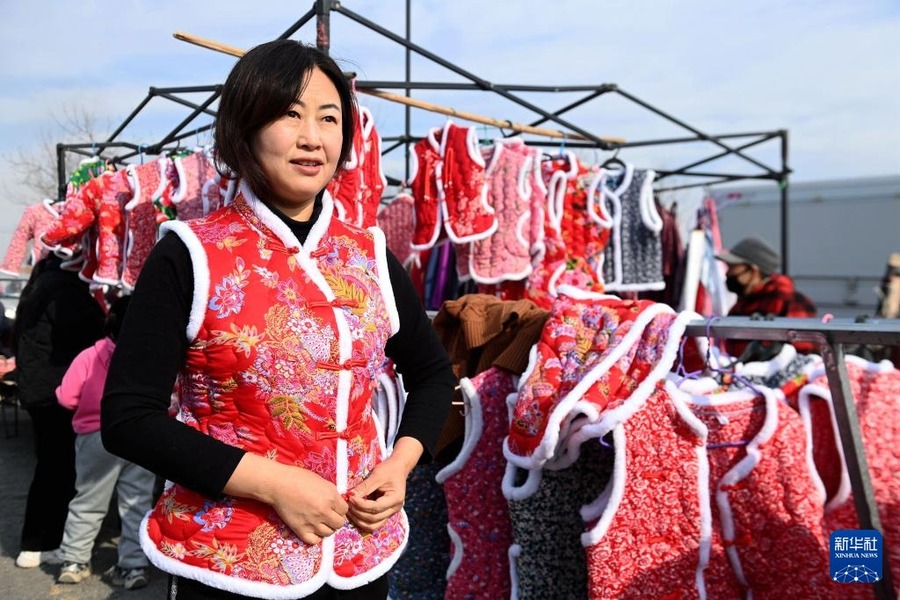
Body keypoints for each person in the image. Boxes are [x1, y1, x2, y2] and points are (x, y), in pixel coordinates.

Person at [101, 39, 455, 600]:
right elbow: (128, 416)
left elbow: (434, 374)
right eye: (290, 114)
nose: (313, 137)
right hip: (231, 559)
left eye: (329, 117)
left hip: (358, 552)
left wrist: (401, 463)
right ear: (245, 126)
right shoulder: (190, 254)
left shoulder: (369, 253)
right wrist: (276, 484)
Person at [55, 295, 156, 590]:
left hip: (96, 435)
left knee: (87, 500)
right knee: (137, 501)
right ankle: (133, 566)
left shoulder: (90, 355)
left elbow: (65, 397)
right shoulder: (149, 358)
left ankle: (73, 561)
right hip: (140, 435)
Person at [12, 253, 105, 568]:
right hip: (54, 394)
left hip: (37, 390)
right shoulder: (65, 288)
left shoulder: (40, 286)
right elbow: (89, 330)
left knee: (50, 468)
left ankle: (38, 542)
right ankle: (43, 542)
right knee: (59, 469)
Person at [717, 235, 817, 358]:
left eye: (733, 267)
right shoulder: (743, 303)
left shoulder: (791, 302)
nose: (728, 273)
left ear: (753, 270)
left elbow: (803, 352)